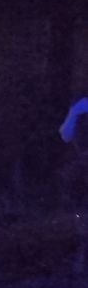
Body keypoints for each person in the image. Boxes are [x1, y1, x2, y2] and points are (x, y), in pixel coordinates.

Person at [59, 96, 88, 273]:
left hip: (82, 163)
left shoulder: (80, 106)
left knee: (79, 210)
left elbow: (65, 135)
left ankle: (81, 258)